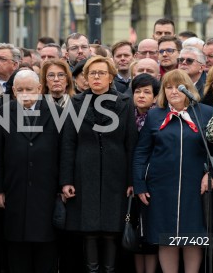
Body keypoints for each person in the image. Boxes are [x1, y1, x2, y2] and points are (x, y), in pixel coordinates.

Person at [133, 69, 213, 273]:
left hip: (195, 186)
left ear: (188, 88)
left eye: (178, 87)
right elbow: (141, 153)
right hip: (161, 187)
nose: (173, 91)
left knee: (192, 237)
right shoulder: (155, 115)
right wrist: (139, 184)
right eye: (168, 87)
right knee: (167, 237)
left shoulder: (205, 112)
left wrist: (212, 174)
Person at [60, 56, 138, 272]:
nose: (96, 77)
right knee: (89, 229)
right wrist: (66, 180)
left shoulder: (125, 101)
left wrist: (132, 179)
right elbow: (68, 142)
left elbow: (131, 143)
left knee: (112, 229)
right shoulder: (75, 102)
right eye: (91, 73)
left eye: (101, 73)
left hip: (117, 172)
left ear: (111, 76)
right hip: (84, 172)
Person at [0, 69, 62, 273]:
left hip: (46, 192)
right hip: (14, 190)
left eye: (29, 89)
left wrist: (63, 185)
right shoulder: (4, 112)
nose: (25, 94)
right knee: (16, 250)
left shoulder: (57, 111)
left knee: (45, 251)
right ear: (13, 91)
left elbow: (64, 152)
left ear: (39, 89)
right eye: (20, 90)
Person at [130, 73, 160, 273]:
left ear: (156, 96)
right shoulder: (125, 115)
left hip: (154, 182)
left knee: (150, 232)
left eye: (147, 92)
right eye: (137, 91)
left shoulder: (159, 116)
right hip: (131, 182)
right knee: (133, 233)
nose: (141, 95)